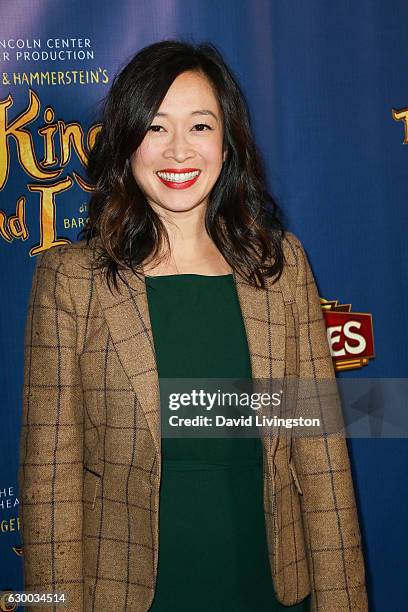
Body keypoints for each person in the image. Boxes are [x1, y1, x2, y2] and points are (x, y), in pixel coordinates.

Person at [18, 40, 368, 611]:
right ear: (126, 141)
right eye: (156, 127)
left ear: (227, 144)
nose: (179, 150)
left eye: (200, 126)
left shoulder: (281, 268)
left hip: (270, 587)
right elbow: (48, 487)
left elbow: (324, 463)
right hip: (127, 596)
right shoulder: (71, 280)